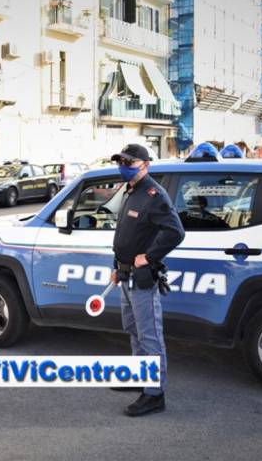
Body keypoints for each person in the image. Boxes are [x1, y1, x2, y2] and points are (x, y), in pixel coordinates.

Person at [109, 143, 185, 417]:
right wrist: (116, 265)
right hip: (125, 275)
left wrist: (149, 257)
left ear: (145, 165)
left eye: (130, 163)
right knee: (132, 330)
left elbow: (175, 232)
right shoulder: (131, 191)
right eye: (121, 162)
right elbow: (126, 234)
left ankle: (154, 395)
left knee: (150, 336)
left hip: (142, 279)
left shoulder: (154, 194)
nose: (124, 167)